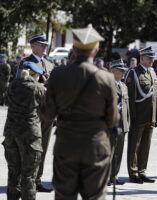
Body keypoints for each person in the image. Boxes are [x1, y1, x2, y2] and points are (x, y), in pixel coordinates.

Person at [41, 25, 119, 200]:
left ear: (74, 49)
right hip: (96, 145)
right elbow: (113, 119)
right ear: (95, 51)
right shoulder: (106, 78)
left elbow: (47, 114)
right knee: (95, 196)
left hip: (66, 143)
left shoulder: (58, 74)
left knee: (64, 196)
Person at [3, 61, 45, 200]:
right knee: (29, 176)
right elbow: (47, 107)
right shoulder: (37, 87)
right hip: (29, 136)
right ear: (35, 75)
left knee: (13, 173)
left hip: (10, 133)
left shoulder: (12, 85)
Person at [19, 34, 55, 192]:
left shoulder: (49, 63)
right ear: (33, 46)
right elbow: (22, 87)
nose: (45, 47)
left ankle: (38, 179)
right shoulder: (26, 63)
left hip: (47, 113)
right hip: (32, 113)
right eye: (42, 45)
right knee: (30, 148)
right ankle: (26, 180)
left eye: (46, 45)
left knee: (43, 147)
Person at [125, 46, 157, 184]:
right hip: (138, 116)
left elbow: (155, 96)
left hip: (150, 116)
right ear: (142, 58)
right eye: (149, 58)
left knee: (145, 145)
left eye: (153, 58)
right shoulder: (133, 73)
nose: (152, 60)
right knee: (135, 145)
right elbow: (128, 96)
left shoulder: (152, 72)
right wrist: (130, 116)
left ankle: (142, 171)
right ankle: (133, 172)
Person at [108, 59, 130, 186]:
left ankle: (114, 176)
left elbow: (127, 108)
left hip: (122, 125)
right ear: (112, 71)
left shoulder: (124, 86)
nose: (123, 73)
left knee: (118, 152)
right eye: (120, 70)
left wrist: (127, 123)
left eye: (123, 71)